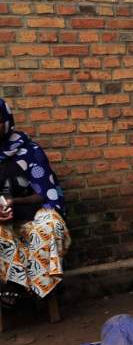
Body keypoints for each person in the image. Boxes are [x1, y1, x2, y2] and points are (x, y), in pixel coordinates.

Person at [0, 98, 69, 304]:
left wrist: (15, 201)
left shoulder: (30, 152)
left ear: (6, 120)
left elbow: (46, 193)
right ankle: (15, 284)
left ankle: (40, 286)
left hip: (33, 213)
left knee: (50, 225)